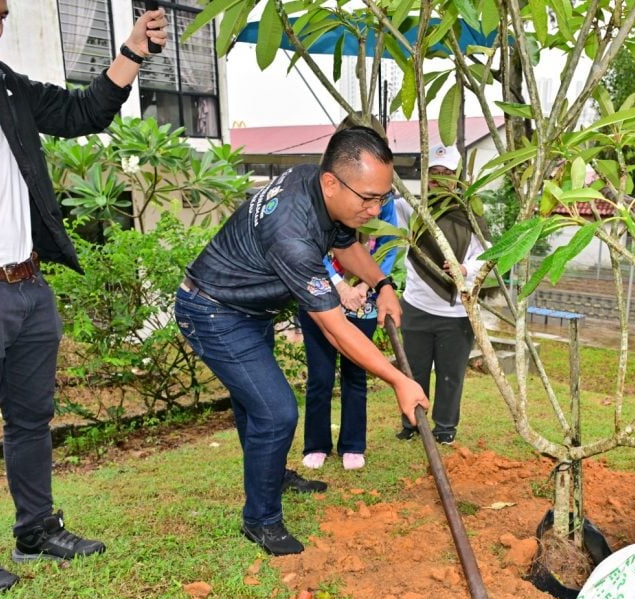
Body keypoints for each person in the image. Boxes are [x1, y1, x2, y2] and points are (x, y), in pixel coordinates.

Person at [0, 1, 167, 596]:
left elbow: (80, 112)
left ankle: (37, 529)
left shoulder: (0, 83)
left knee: (32, 420)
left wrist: (132, 54)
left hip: (28, 287)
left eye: (4, 17)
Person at [175, 126, 428, 556]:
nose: (376, 208)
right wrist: (398, 380)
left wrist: (383, 283)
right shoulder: (292, 230)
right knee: (275, 412)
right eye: (368, 197)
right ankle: (261, 520)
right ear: (333, 183)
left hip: (248, 309)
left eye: (383, 197)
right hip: (213, 310)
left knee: (255, 406)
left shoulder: (318, 185)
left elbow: (345, 247)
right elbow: (336, 328)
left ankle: (270, 477)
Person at [298, 115, 402, 472]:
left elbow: (389, 244)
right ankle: (316, 444)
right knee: (320, 376)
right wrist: (338, 287)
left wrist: (370, 284)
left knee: (357, 373)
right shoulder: (315, 196)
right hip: (318, 296)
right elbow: (307, 253)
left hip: (364, 300)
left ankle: (353, 444)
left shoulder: (381, 201)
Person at [396, 144, 486, 446]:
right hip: (417, 307)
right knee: (413, 371)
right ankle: (412, 423)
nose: (439, 179)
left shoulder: (469, 213)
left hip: (456, 313)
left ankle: (445, 428)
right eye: (433, 172)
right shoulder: (411, 207)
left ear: (458, 176)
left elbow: (488, 255)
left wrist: (465, 269)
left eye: (447, 173)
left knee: (451, 375)